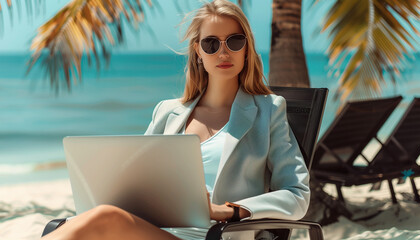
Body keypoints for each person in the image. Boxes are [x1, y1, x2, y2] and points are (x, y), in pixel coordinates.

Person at [42, 0, 309, 239]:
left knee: (104, 218)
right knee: (86, 220)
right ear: (198, 52)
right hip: (153, 230)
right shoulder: (167, 112)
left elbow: (297, 194)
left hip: (216, 235)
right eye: (211, 43)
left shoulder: (269, 110)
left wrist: (226, 211)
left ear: (247, 49)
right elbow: (135, 182)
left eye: (234, 41)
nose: (223, 52)